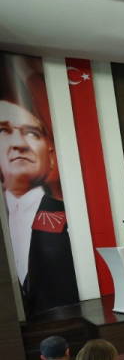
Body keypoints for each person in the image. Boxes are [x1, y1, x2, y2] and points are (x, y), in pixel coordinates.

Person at [1, 91, 79, 313]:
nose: (19, 143)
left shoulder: (73, 217)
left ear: (51, 155)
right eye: (3, 131)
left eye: (31, 133)